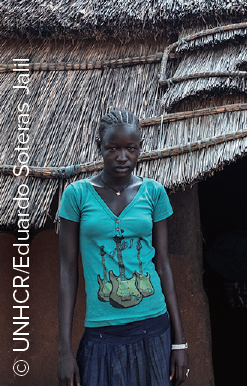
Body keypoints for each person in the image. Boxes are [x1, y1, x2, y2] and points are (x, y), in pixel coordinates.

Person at [57, 110, 189, 386]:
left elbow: (163, 266)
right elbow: (68, 271)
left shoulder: (154, 193)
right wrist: (64, 350)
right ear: (99, 147)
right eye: (112, 148)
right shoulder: (76, 195)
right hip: (101, 334)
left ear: (140, 148)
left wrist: (179, 343)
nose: (122, 157)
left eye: (130, 148)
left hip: (154, 327)